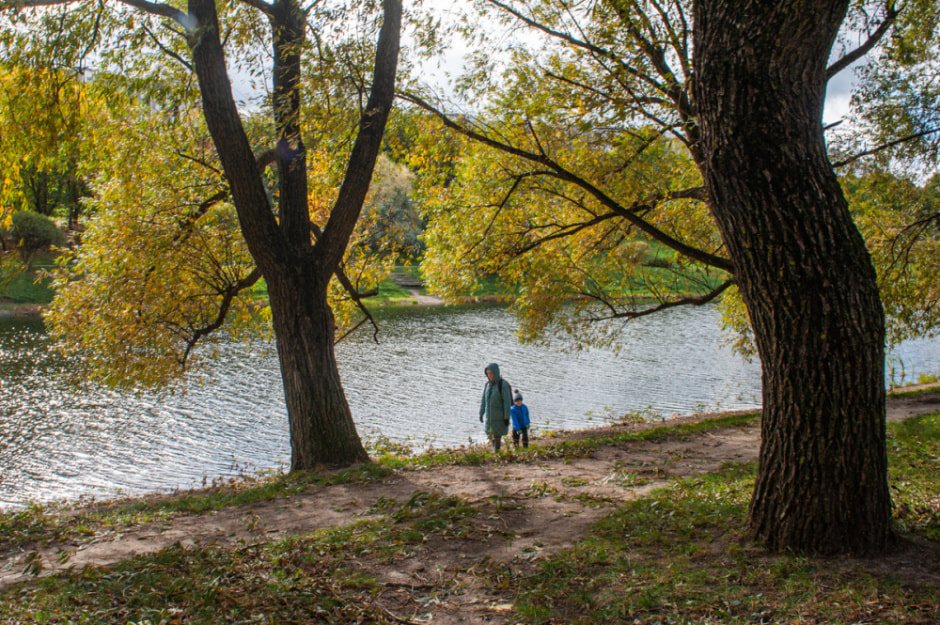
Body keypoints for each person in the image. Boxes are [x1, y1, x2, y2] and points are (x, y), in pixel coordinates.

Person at [479, 362, 511, 451]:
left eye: (491, 374)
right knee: (491, 434)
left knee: (497, 435)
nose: (489, 376)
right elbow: (483, 400)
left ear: (496, 373)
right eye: (488, 374)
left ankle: (497, 452)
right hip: (489, 416)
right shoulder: (487, 385)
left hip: (499, 417)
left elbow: (507, 403)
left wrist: (506, 417)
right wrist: (481, 413)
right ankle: (495, 451)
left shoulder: (503, 385)